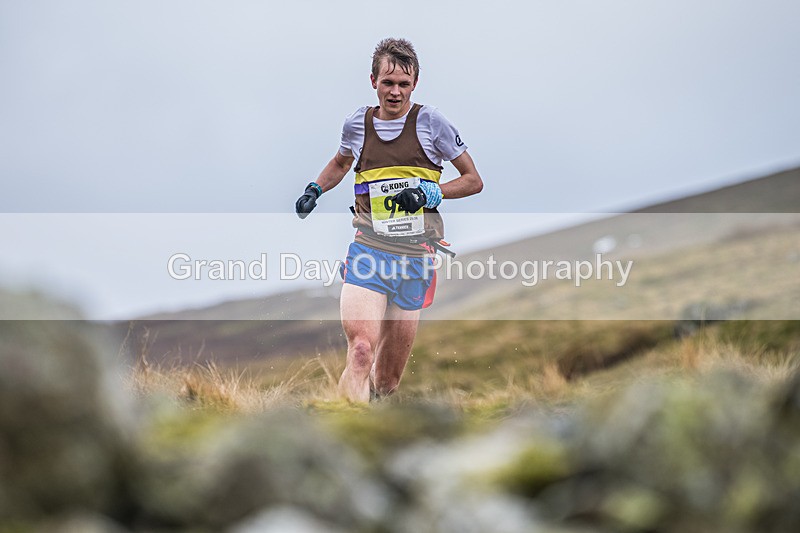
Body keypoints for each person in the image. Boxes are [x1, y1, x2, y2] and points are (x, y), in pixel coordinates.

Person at [295, 38, 483, 403]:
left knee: (386, 381)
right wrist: (315, 190)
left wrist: (433, 193)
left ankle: (374, 421)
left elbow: (474, 180)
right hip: (369, 249)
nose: (395, 92)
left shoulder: (432, 123)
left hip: (415, 257)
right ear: (373, 81)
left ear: (415, 84)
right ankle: (344, 428)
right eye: (388, 83)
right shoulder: (357, 124)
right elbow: (340, 163)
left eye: (403, 84)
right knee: (362, 351)